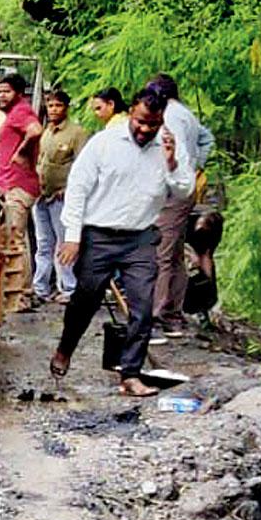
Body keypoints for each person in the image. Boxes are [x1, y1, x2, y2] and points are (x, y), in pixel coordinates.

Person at [50, 88, 195, 397]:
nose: (145, 129)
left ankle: (130, 374)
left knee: (142, 306)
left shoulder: (169, 146)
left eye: (152, 124)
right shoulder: (104, 143)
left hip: (140, 238)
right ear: (132, 112)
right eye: (141, 121)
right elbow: (77, 189)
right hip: (98, 235)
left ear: (160, 121)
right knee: (84, 302)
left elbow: (184, 191)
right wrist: (73, 238)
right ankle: (65, 348)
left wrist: (171, 163)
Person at [145, 73, 214, 338]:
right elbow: (206, 140)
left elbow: (167, 153)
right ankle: (173, 313)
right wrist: (197, 165)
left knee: (161, 252)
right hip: (184, 187)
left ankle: (157, 315)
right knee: (173, 253)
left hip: (173, 189)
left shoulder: (169, 115)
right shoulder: (186, 114)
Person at [32, 89, 88, 305]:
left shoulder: (76, 133)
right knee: (43, 243)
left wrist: (68, 190)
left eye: (58, 106)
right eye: (51, 105)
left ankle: (69, 287)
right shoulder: (46, 132)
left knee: (65, 243)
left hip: (62, 197)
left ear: (66, 108)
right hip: (41, 195)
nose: (53, 110)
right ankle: (40, 287)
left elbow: (82, 165)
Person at [0, 73, 43, 312]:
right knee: (16, 239)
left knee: (16, 241)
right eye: (0, 91)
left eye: (7, 91)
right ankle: (23, 292)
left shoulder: (22, 112)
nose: (2, 95)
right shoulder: (14, 114)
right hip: (13, 185)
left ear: (19, 93)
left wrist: (22, 152)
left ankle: (21, 295)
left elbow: (35, 130)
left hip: (17, 186)